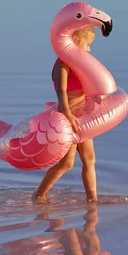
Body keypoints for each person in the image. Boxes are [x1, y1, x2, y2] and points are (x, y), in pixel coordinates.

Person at [32, 26, 99, 203]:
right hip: (67, 119)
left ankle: (92, 200)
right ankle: (39, 195)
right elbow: (61, 92)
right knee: (67, 164)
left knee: (90, 159)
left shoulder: (79, 66)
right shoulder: (62, 66)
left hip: (82, 119)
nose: (89, 49)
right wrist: (67, 116)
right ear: (76, 41)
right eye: (88, 44)